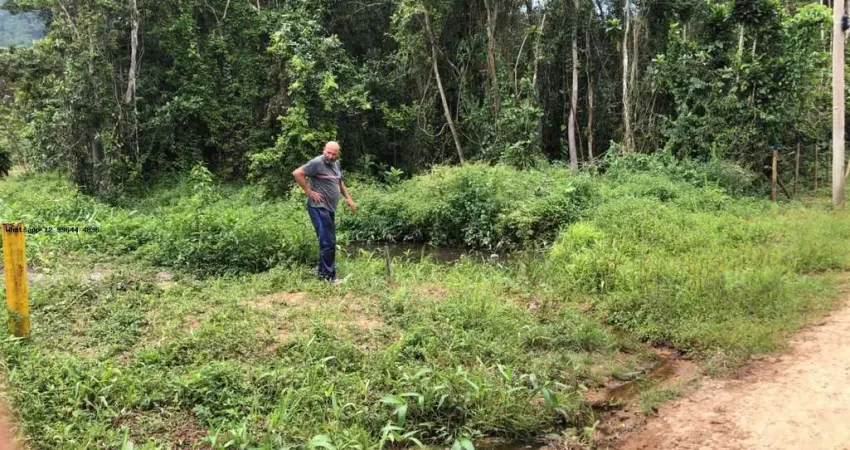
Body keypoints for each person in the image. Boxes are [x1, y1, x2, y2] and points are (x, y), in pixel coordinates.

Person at [292, 141, 356, 283]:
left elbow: (339, 182)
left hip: (329, 208)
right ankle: (328, 277)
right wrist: (309, 192)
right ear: (324, 150)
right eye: (328, 152)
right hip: (319, 207)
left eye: (334, 154)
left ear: (338, 154)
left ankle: (323, 275)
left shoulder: (336, 164)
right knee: (328, 241)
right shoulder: (317, 162)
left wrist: (348, 198)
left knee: (327, 241)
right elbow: (297, 173)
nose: (330, 156)